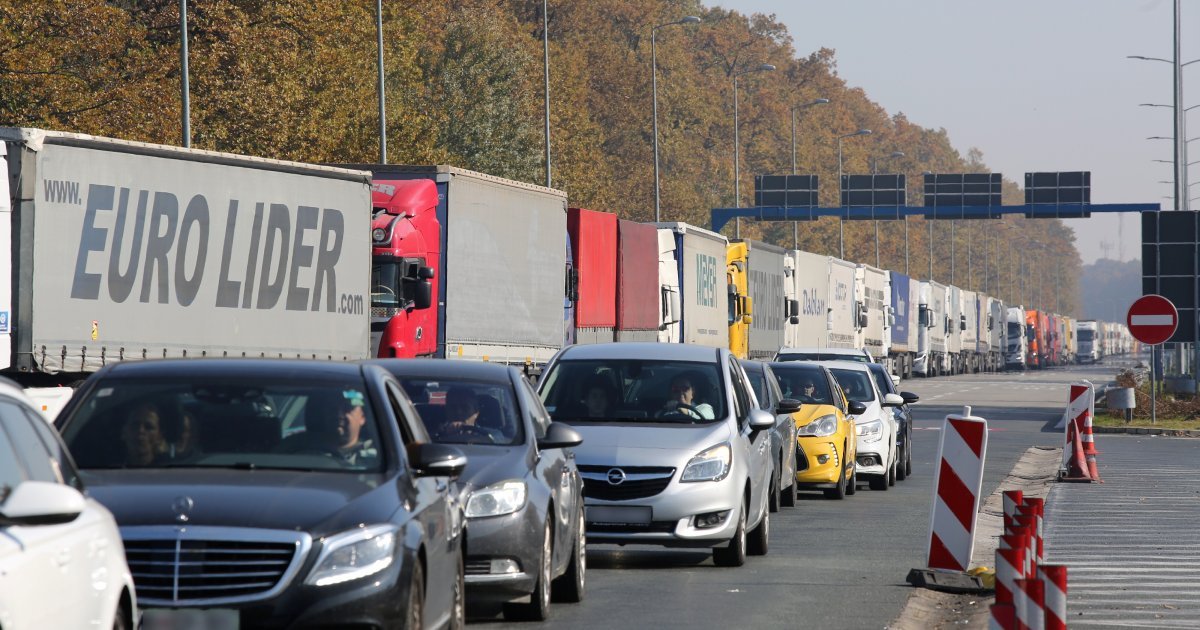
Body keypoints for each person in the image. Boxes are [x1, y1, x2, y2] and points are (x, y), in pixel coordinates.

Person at [282, 389, 376, 465]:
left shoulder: (377, 456)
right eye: (332, 409)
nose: (339, 415)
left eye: (347, 408)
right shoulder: (295, 449)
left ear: (362, 417)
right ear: (323, 415)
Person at [439, 387, 505, 442]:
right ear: (446, 410)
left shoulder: (493, 434)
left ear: (476, 412)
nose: (459, 412)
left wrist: (477, 437)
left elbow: (500, 443)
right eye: (453, 407)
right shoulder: (435, 436)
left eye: (465, 408)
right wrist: (444, 435)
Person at [121, 401, 167, 466]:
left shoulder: (171, 472)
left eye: (149, 427)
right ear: (124, 432)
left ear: (159, 437)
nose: (141, 430)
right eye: (135, 425)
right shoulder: (108, 471)